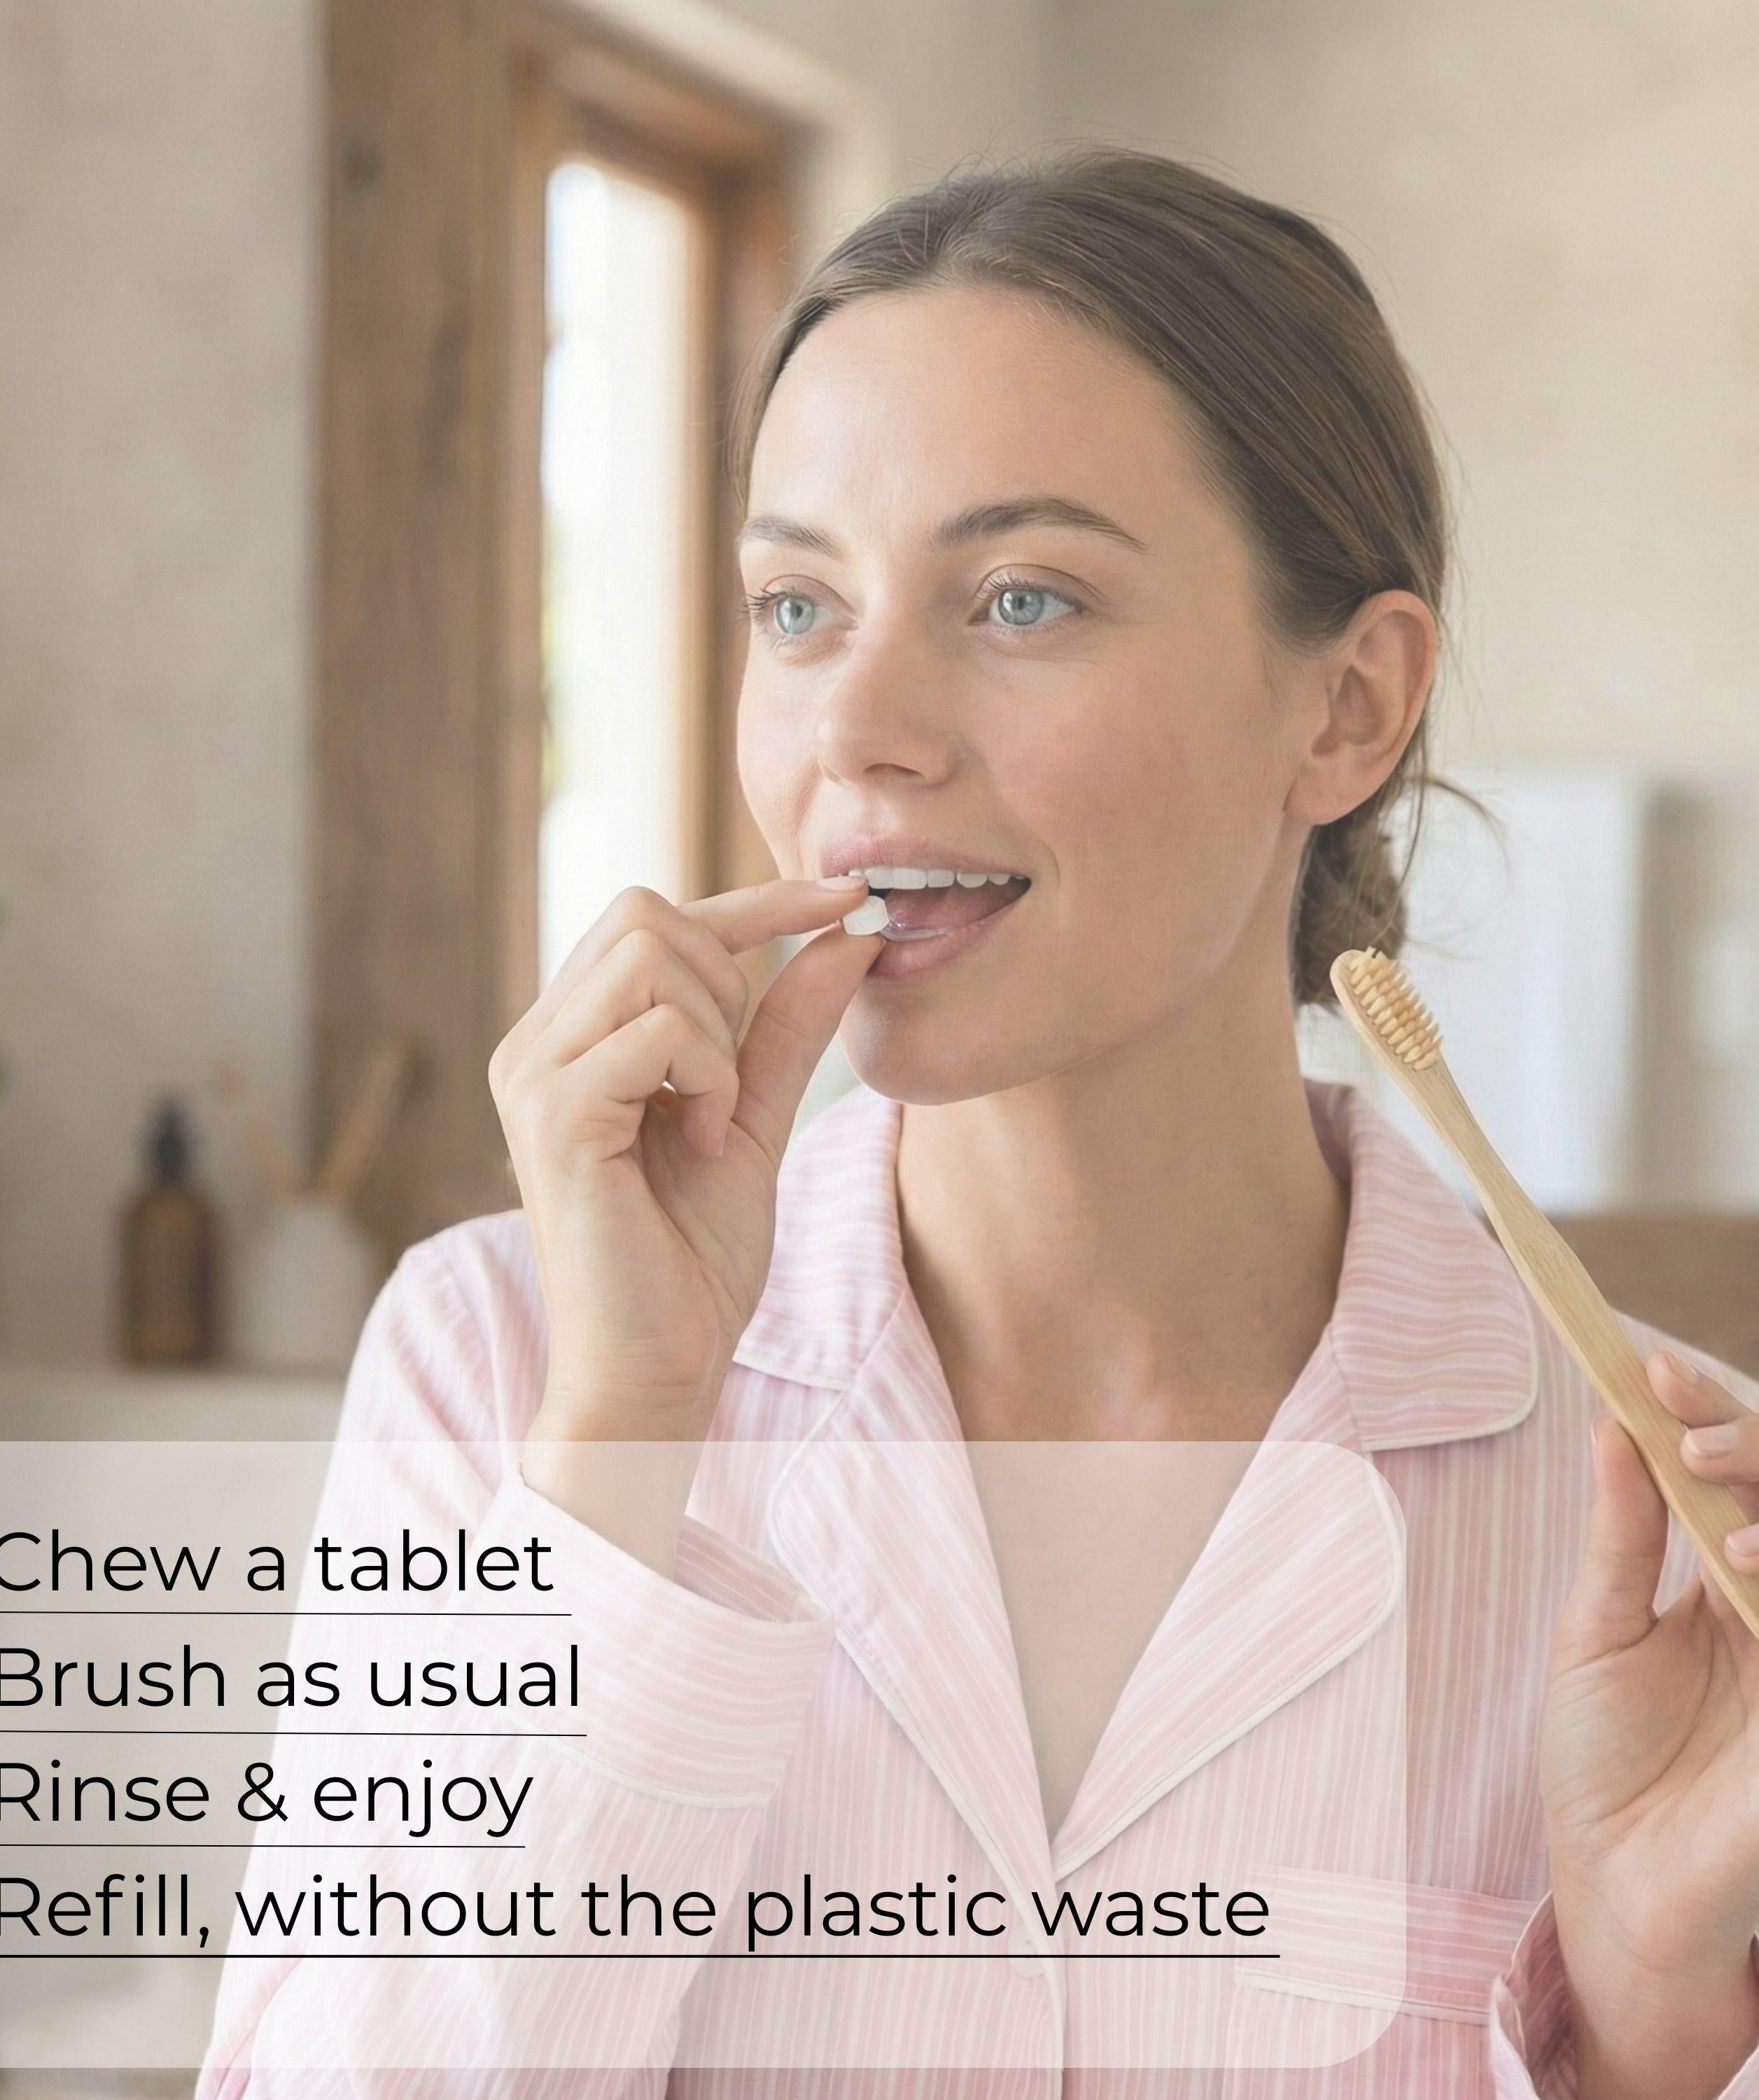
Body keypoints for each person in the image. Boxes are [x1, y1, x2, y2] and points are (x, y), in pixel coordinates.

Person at [200, 148, 1759, 2098]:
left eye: (1020, 597)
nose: (857, 726)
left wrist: (1653, 2032)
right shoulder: (505, 1368)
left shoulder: (1667, 1530)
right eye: (796, 604)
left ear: (1348, 709)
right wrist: (614, 1465)